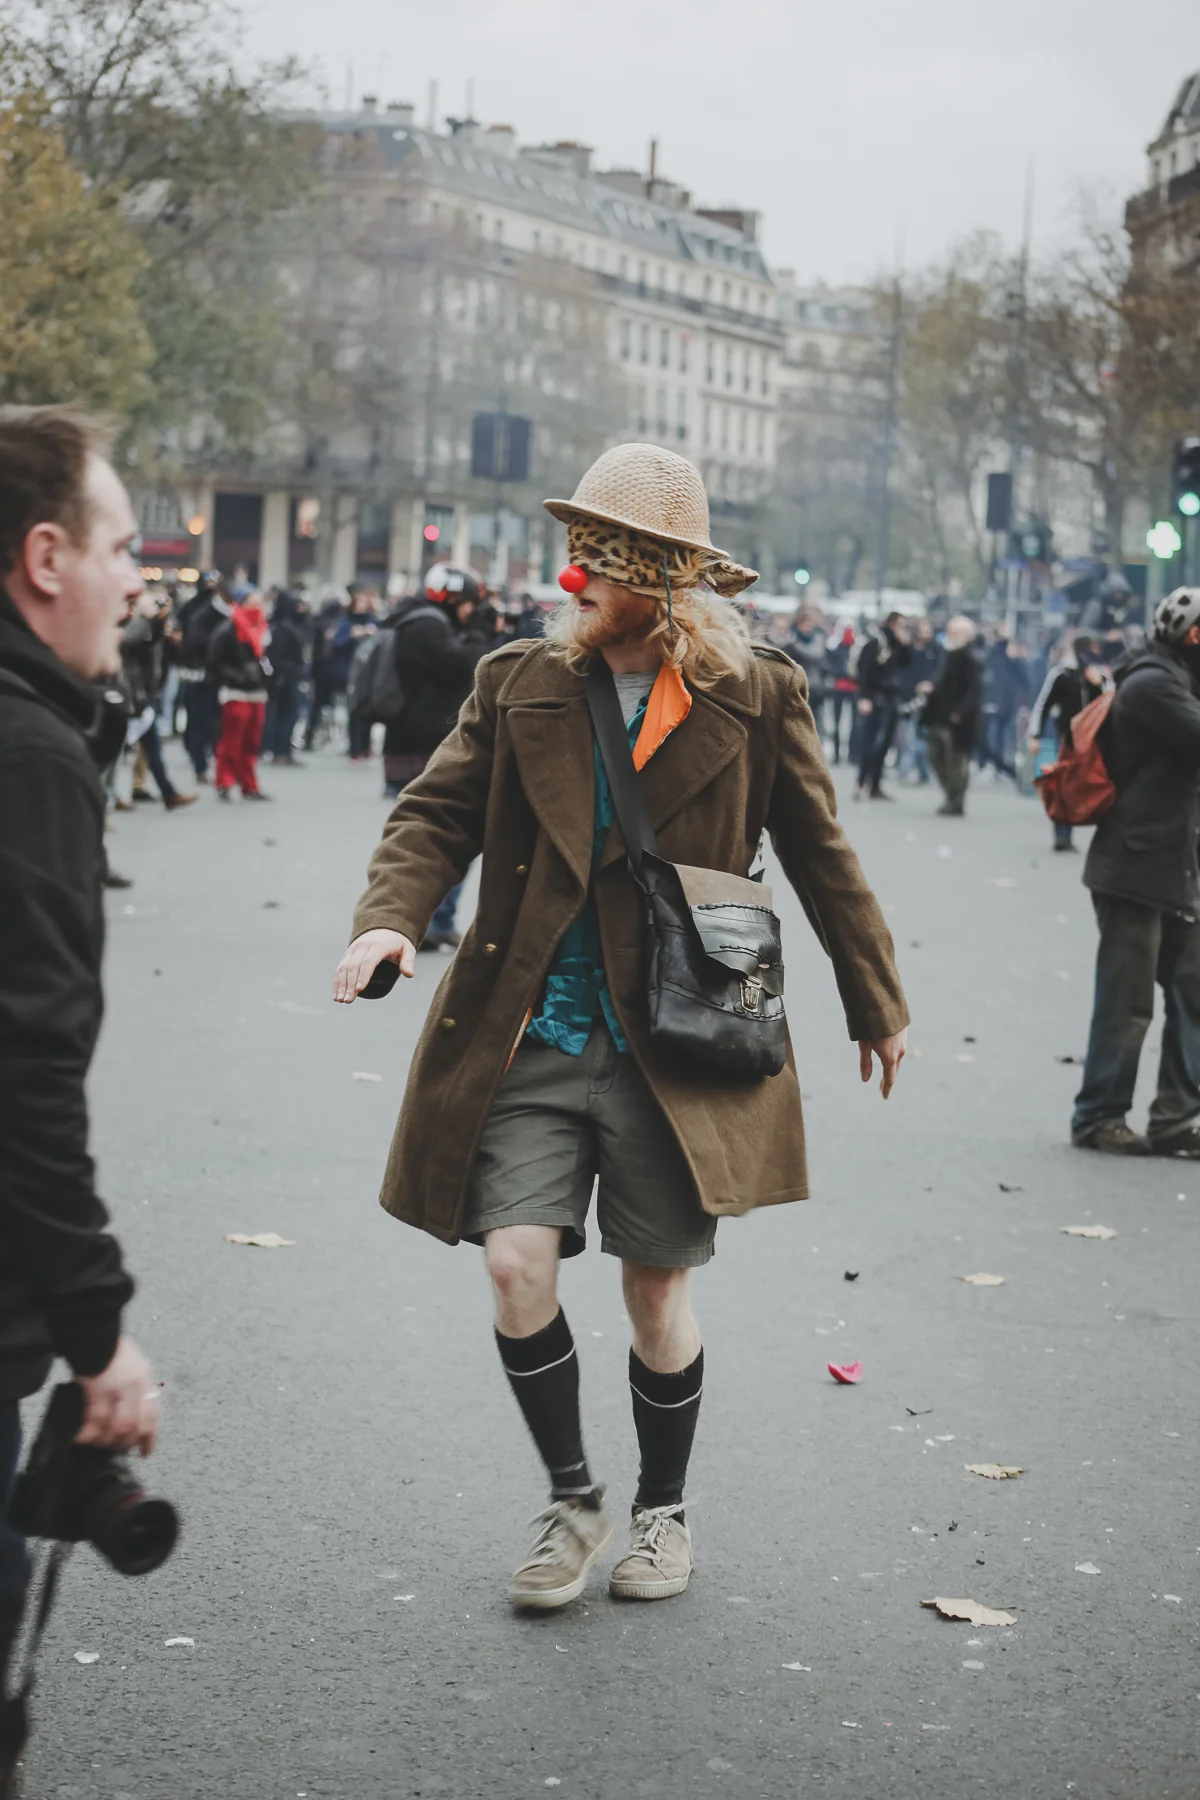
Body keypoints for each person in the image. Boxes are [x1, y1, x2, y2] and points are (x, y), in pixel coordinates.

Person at [333, 443, 909, 1611]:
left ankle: (662, 1512)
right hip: (532, 1028)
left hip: (676, 1043)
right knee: (513, 1260)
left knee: (657, 1295)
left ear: (653, 575)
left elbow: (821, 855)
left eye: (595, 557)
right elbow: (432, 814)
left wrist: (874, 996)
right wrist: (390, 920)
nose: (570, 576)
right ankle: (573, 1496)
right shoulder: (517, 681)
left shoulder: (757, 696)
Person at [0, 404, 160, 1698]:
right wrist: (96, 1331)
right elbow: (22, 1078)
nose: (137, 577)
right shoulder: (28, 757)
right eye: (120, 546)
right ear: (46, 558)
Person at [1071, 588, 1200, 1156]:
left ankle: (1176, 1118)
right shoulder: (1153, 684)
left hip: (1176, 867)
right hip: (1135, 866)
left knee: (1192, 991)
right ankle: (1099, 1115)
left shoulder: (1174, 679)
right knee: (1127, 1003)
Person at [380, 564, 482, 948]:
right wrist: (479, 634)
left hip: (413, 741)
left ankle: (424, 920)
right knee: (440, 835)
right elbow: (464, 665)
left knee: (426, 834)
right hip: (425, 742)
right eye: (470, 604)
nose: (473, 612)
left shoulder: (415, 619)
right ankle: (427, 920)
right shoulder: (426, 627)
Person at [119, 589, 197, 811]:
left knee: (150, 746)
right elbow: (130, 642)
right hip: (131, 694)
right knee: (117, 750)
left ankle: (165, 792)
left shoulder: (147, 626)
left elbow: (156, 646)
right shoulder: (127, 623)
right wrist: (146, 617)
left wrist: (160, 621)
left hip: (144, 692)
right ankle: (117, 795)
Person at [1027, 635, 1106, 851]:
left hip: (1096, 742)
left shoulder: (1100, 675)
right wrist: (1035, 734)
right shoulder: (1061, 675)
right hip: (1068, 741)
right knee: (1063, 786)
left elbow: (1112, 702)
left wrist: (1099, 685)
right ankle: (1063, 833)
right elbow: (1043, 704)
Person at [209, 589, 271, 801]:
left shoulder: (263, 630)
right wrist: (237, 676)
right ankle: (225, 781)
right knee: (232, 740)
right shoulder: (229, 628)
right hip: (236, 692)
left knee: (252, 743)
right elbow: (215, 660)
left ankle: (249, 784)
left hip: (257, 692)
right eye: (253, 602)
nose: (258, 607)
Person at [922, 616, 982, 817]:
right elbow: (941, 681)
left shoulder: (971, 659)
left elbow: (974, 692)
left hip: (957, 722)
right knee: (936, 756)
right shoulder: (947, 655)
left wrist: (960, 712)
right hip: (939, 716)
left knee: (956, 762)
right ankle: (950, 795)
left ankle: (956, 800)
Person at [173, 572, 226, 782]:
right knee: (197, 720)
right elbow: (185, 641)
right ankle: (199, 761)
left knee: (213, 721)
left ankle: (208, 757)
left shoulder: (220, 612)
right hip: (195, 674)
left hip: (215, 676)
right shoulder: (193, 611)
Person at [855, 612, 910, 799]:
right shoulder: (877, 642)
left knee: (885, 744)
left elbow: (905, 665)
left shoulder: (896, 644)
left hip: (890, 699)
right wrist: (864, 698)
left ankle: (875, 785)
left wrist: (905, 645)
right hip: (874, 698)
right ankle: (862, 783)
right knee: (870, 742)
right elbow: (864, 670)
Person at [263, 589, 308, 766]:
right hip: (285, 678)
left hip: (287, 677)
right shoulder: (283, 628)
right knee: (287, 715)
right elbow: (279, 656)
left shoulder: (283, 625)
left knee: (288, 714)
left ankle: (283, 749)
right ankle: (280, 750)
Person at [336, 584, 380, 762]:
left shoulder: (373, 620)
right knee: (354, 710)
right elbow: (338, 644)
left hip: (371, 671)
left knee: (368, 709)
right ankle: (354, 748)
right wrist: (352, 636)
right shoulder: (346, 621)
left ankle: (366, 746)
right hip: (351, 671)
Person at [825, 624, 858, 764]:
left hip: (853, 688)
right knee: (838, 722)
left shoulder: (856, 649)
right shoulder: (836, 648)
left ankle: (851, 754)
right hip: (840, 687)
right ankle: (838, 754)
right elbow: (830, 664)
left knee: (854, 723)